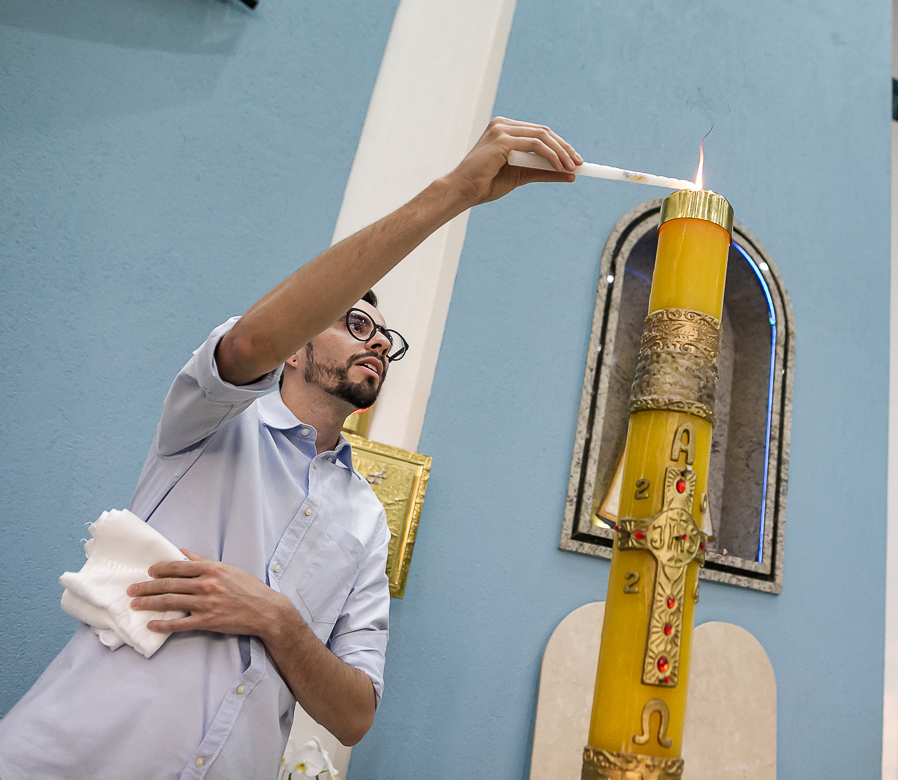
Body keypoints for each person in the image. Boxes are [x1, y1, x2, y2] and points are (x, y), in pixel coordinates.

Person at [0, 118, 581, 779]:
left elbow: (355, 713)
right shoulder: (212, 423)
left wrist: (278, 618)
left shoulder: (364, 517)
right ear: (299, 347)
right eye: (356, 324)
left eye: (388, 339)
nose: (378, 344)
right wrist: (453, 192)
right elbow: (249, 345)